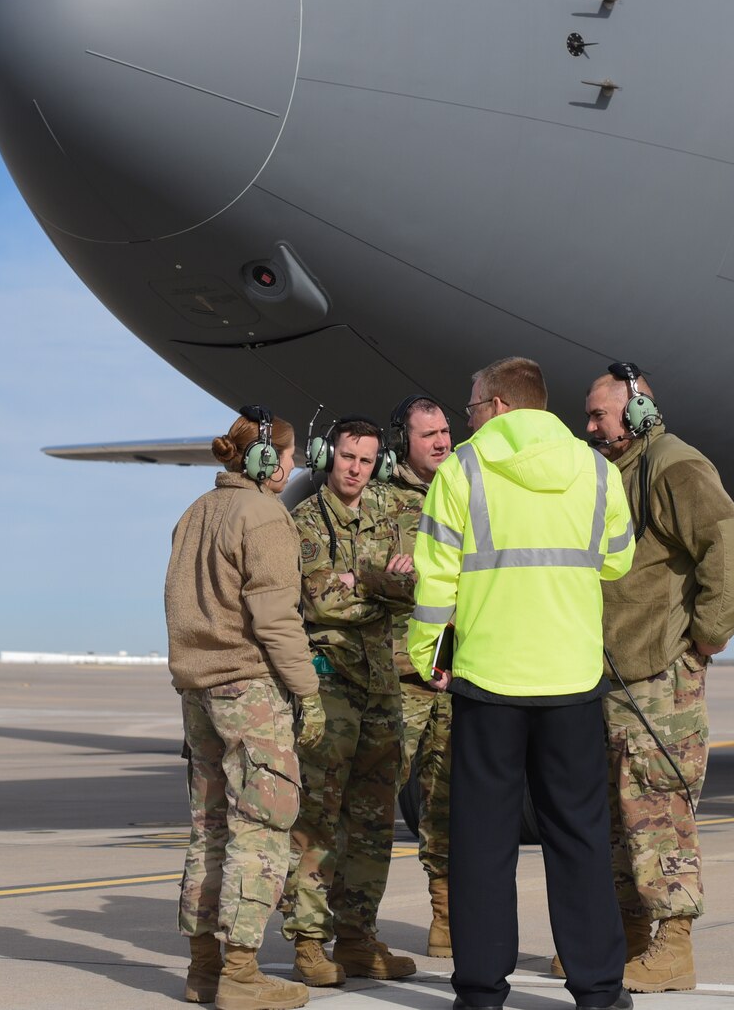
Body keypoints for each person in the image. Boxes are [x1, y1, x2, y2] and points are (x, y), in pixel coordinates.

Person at [408, 357, 636, 1010]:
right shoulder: (596, 470)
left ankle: (481, 992)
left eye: (474, 403)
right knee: (581, 834)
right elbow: (618, 557)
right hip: (570, 677)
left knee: (483, 839)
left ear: (503, 404)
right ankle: (598, 989)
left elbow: (435, 580)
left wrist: (427, 653)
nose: (468, 416)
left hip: (487, 678)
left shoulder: (462, 472)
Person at [581, 364, 734, 995]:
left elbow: (731, 546)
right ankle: (630, 939)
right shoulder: (618, 471)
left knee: (657, 808)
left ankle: (673, 946)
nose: (591, 425)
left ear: (638, 413)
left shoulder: (674, 465)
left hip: (659, 675)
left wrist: (707, 634)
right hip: (615, 675)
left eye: (600, 415)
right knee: (617, 810)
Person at [166, 406, 326, 1010]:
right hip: (250, 692)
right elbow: (277, 620)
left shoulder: (195, 514)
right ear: (266, 459)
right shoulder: (262, 515)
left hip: (198, 694)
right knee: (261, 830)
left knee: (208, 830)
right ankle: (240, 973)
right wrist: (308, 693)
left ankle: (203, 970)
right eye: (287, 457)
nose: (292, 467)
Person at [283, 417, 419, 987]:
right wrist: (378, 585)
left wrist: (358, 581)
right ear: (327, 456)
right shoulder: (305, 519)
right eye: (346, 457)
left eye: (365, 460)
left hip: (382, 684)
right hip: (330, 683)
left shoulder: (391, 512)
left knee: (372, 819)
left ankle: (358, 936)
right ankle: (309, 942)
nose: (355, 469)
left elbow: (418, 584)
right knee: (318, 816)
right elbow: (319, 601)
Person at [377, 395, 457, 956]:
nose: (441, 441)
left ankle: (447, 922)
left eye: (446, 430)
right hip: (402, 678)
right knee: (372, 803)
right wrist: (386, 575)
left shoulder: (466, 492)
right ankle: (352, 927)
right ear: (403, 440)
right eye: (428, 434)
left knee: (451, 805)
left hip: (457, 675)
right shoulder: (381, 503)